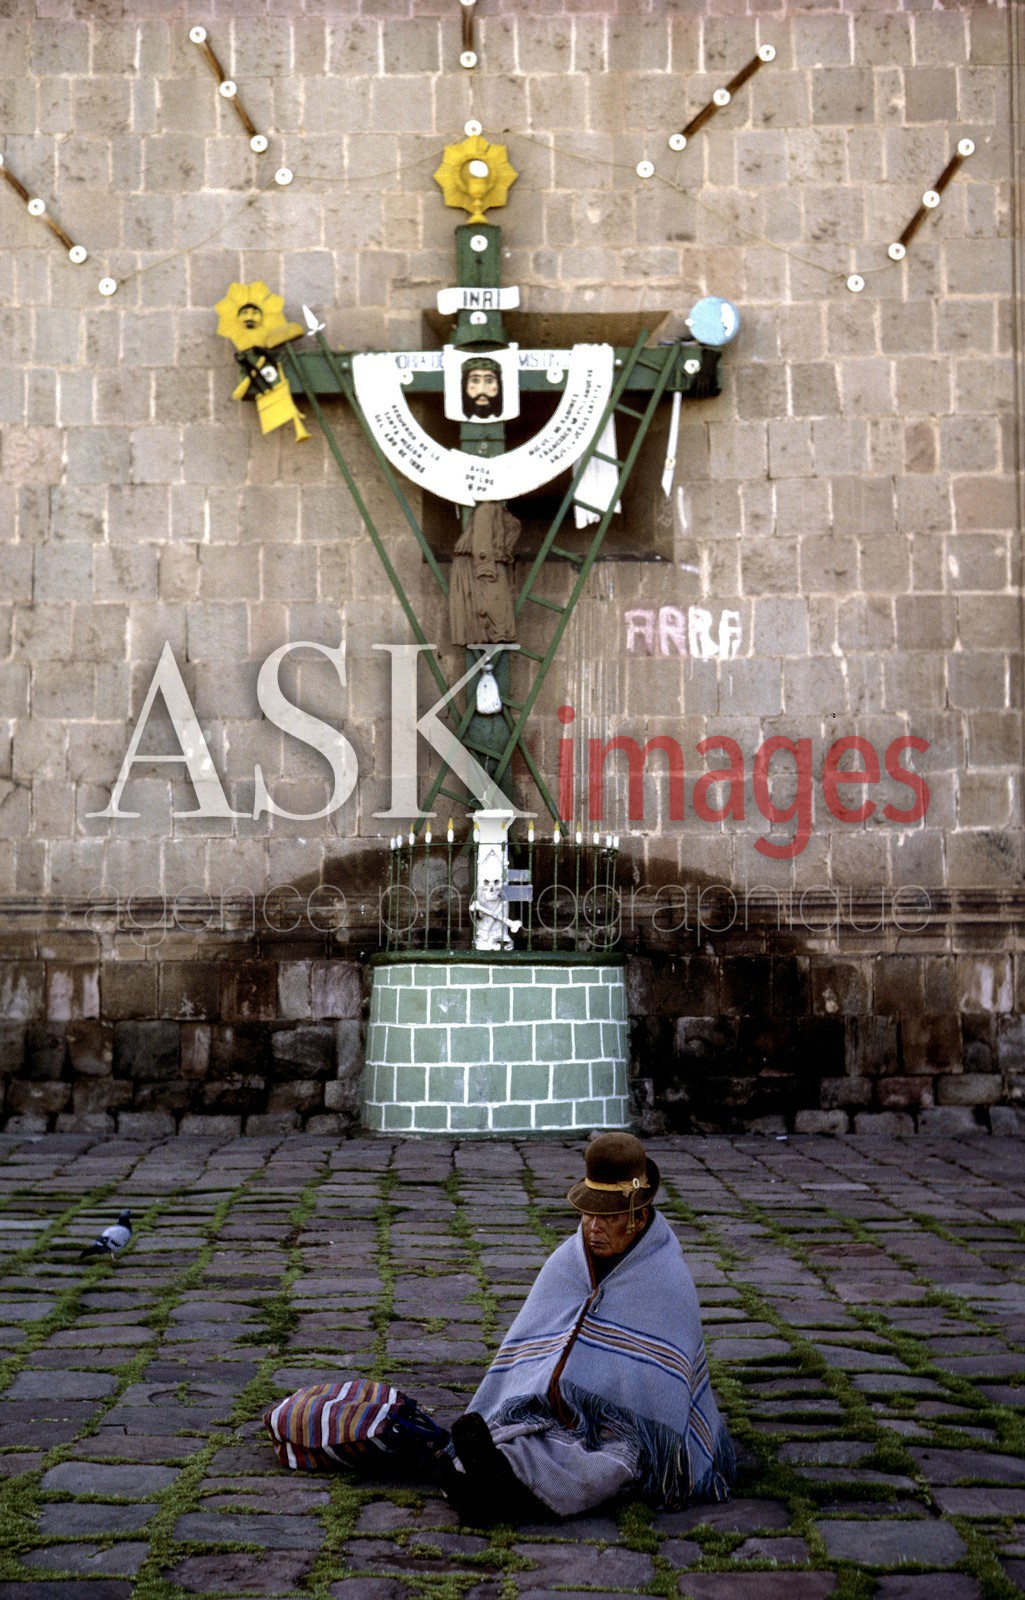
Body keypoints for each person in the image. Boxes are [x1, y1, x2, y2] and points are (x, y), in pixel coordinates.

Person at [439, 1132, 735, 1524]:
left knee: (609, 1463)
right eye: (588, 1214)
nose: (593, 1227)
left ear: (638, 1217)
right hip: (557, 1413)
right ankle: (484, 1478)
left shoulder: (667, 1280)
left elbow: (660, 1395)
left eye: (608, 1217)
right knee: (521, 1435)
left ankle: (506, 1498)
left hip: (621, 1426)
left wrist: (601, 1402)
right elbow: (532, 1347)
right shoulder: (567, 1262)